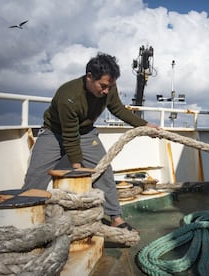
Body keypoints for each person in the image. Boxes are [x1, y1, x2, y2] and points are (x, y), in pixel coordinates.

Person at [23, 52, 159, 230]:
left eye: (110, 87)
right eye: (102, 86)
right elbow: (70, 137)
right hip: (54, 133)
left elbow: (118, 109)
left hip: (86, 133)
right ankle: (27, 219)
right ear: (89, 77)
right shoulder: (68, 96)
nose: (106, 91)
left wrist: (145, 126)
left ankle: (115, 218)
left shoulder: (108, 86)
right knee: (36, 175)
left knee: (104, 173)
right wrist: (79, 169)